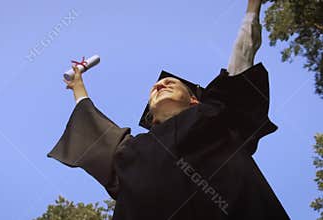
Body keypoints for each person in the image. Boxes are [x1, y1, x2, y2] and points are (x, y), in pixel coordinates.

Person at [48, 0, 290, 219]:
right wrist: (78, 86)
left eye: (171, 83)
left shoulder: (219, 113)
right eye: (156, 87)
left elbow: (243, 55)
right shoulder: (131, 152)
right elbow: (92, 125)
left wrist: (252, 7)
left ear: (195, 100)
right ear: (151, 118)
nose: (161, 83)